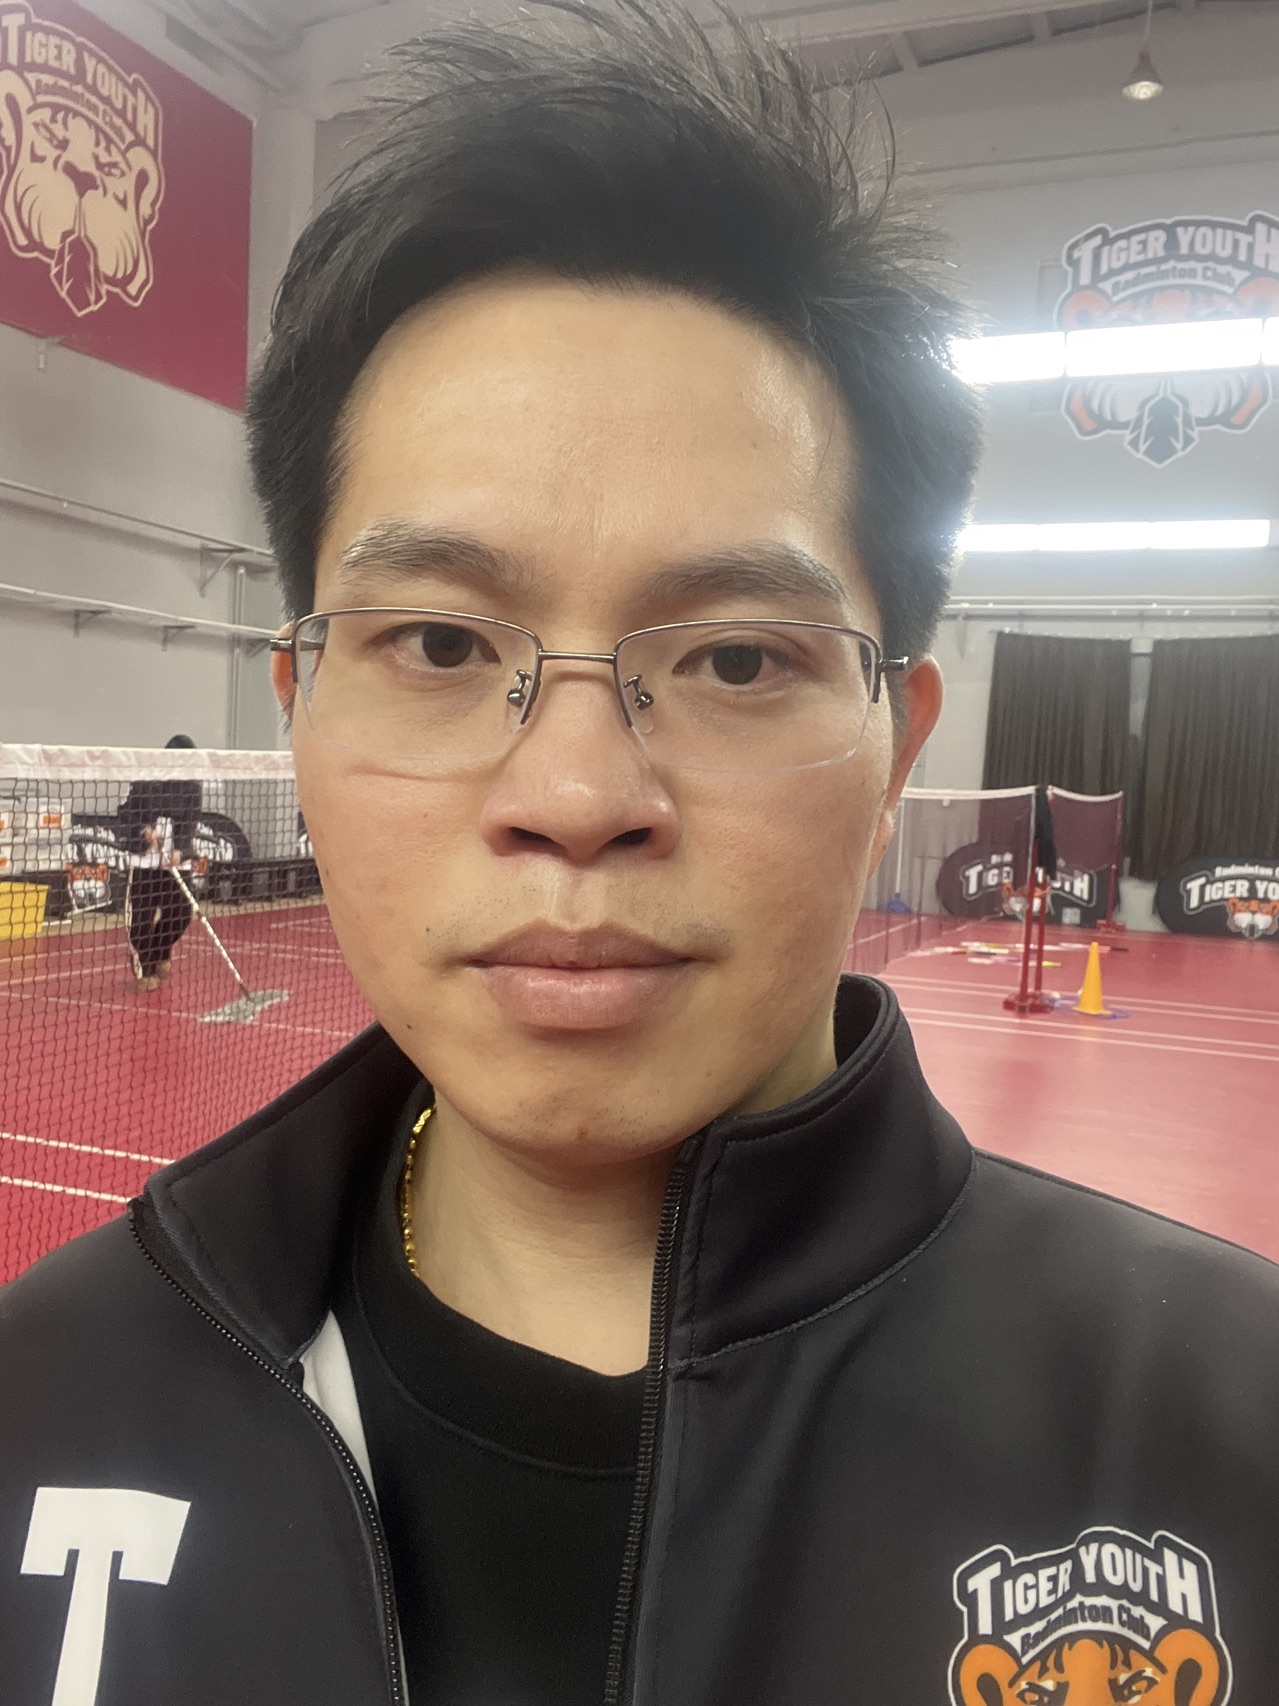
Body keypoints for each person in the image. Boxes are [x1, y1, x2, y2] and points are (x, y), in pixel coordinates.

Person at [2, 8, 1277, 1704]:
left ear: (895, 744)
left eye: (736, 657)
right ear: (298, 711)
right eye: (439, 644)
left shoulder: (1226, 1430)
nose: (577, 792)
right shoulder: (47, 1394)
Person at [117, 733, 202, 990]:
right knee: (141, 918)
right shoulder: (146, 780)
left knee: (182, 912)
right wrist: (145, 830)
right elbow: (126, 813)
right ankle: (146, 966)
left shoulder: (192, 786)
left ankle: (160, 951)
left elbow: (190, 822)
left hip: (173, 858)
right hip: (145, 857)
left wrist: (181, 850)